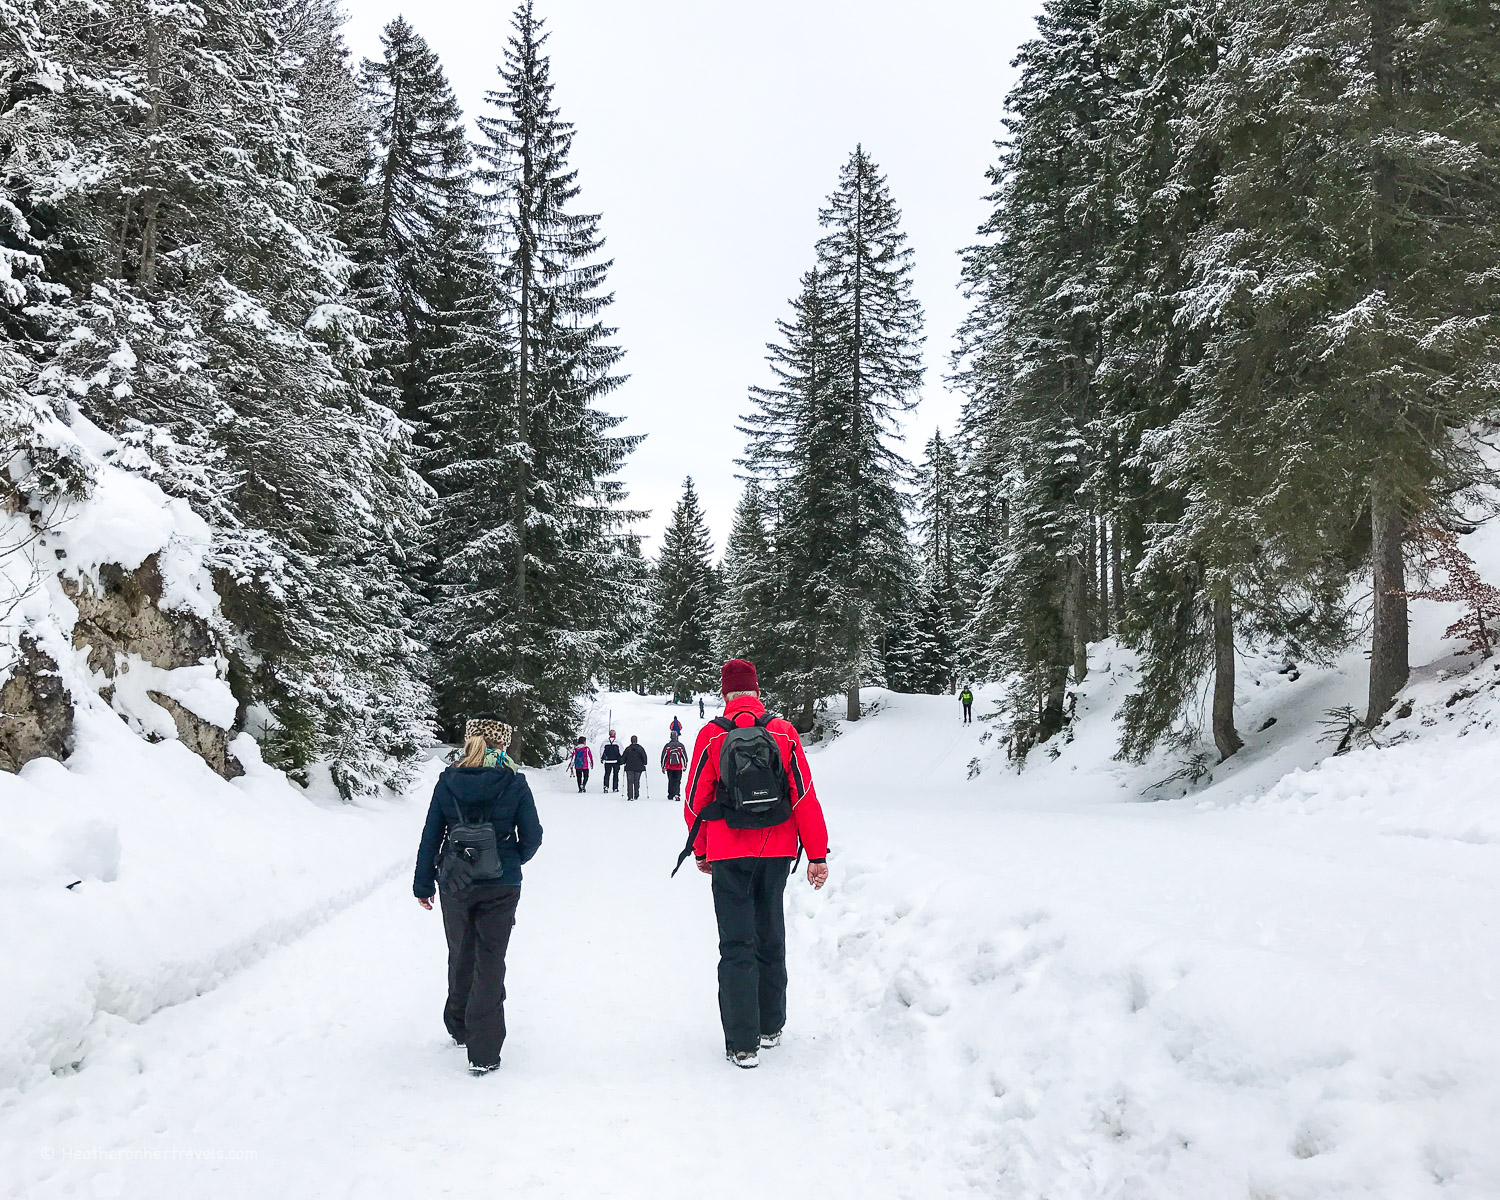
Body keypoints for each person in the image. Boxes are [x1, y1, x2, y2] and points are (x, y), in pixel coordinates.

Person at [678, 658, 829, 1069]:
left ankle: (743, 1044)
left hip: (729, 851)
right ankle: (771, 1026)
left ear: (725, 693)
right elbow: (803, 795)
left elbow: (695, 799)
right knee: (770, 933)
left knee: (736, 943)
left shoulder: (712, 735)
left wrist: (703, 850)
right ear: (757, 691)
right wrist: (817, 854)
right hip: (777, 849)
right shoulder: (782, 732)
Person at [412, 717, 543, 1075]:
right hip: (501, 882)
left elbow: (431, 834)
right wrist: (510, 859)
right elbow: (532, 836)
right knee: (490, 958)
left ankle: (459, 1025)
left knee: (460, 950)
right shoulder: (514, 782)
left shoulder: (448, 781)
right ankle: (484, 1052)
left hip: (455, 881)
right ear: (500, 745)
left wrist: (424, 883)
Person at [661, 732, 688, 800]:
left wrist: (663, 766)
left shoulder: (667, 746)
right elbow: (684, 756)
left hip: (669, 767)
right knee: (677, 780)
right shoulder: (680, 745)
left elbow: (664, 756)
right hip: (679, 767)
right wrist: (685, 765)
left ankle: (670, 795)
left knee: (670, 780)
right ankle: (677, 794)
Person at [622, 735, 649, 800]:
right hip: (638, 768)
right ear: (637, 741)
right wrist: (644, 763)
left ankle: (630, 796)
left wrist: (622, 762)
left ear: (631, 741)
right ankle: (636, 794)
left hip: (629, 768)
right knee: (636, 781)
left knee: (630, 781)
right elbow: (645, 759)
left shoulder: (628, 749)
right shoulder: (640, 748)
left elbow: (623, 759)